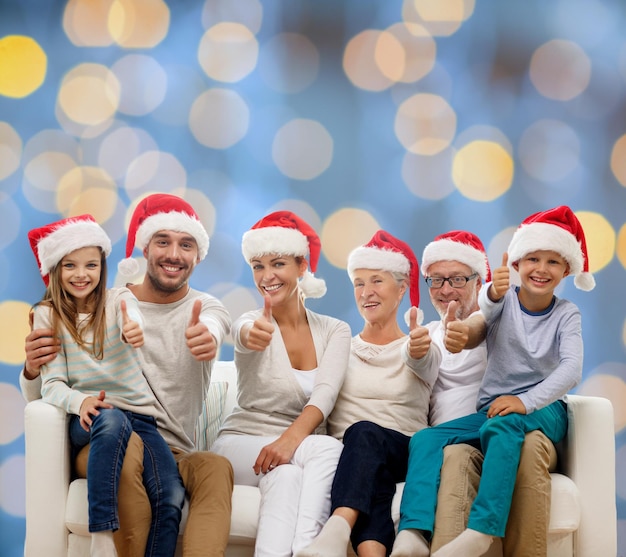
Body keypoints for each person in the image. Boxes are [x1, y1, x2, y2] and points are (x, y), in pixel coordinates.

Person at [20, 194, 234, 557]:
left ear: (198, 255)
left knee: (215, 466)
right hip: (105, 438)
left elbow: (215, 324)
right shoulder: (108, 302)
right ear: (144, 247)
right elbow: (47, 391)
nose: (174, 254)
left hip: (171, 446)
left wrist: (208, 337)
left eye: (186, 245)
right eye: (162, 241)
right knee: (128, 445)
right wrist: (31, 369)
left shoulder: (205, 308)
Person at [392, 206, 594, 557]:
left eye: (552, 261)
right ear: (515, 264)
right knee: (426, 439)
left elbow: (571, 370)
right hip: (495, 411)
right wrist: (467, 325)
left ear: (566, 270)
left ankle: (482, 530)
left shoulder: (566, 314)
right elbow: (480, 319)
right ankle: (412, 532)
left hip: (545, 409)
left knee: (502, 425)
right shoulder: (501, 301)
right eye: (532, 258)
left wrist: (524, 401)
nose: (541, 269)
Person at [27, 214, 185, 557]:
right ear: (55, 270)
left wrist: (135, 328)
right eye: (70, 265)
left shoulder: (118, 302)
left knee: (170, 495)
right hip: (92, 418)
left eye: (91, 265)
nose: (81, 274)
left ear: (102, 267)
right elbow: (51, 384)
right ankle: (102, 536)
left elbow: (133, 315)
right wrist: (81, 402)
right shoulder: (46, 314)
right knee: (111, 418)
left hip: (141, 419)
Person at [210, 210, 352, 557]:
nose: (267, 276)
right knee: (329, 448)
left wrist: (287, 443)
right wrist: (248, 334)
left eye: (278, 264)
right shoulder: (252, 322)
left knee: (287, 478)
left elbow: (326, 394)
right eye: (258, 266)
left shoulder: (335, 330)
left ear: (302, 267)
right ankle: (311, 549)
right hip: (241, 445)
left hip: (288, 455)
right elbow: (240, 333)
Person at [295, 229, 438, 557]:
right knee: (369, 465)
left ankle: (338, 526)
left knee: (362, 434)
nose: (366, 292)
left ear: (402, 289)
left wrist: (417, 349)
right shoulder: (340, 346)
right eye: (359, 283)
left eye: (377, 281)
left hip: (404, 449)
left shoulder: (418, 343)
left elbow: (424, 362)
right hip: (354, 458)